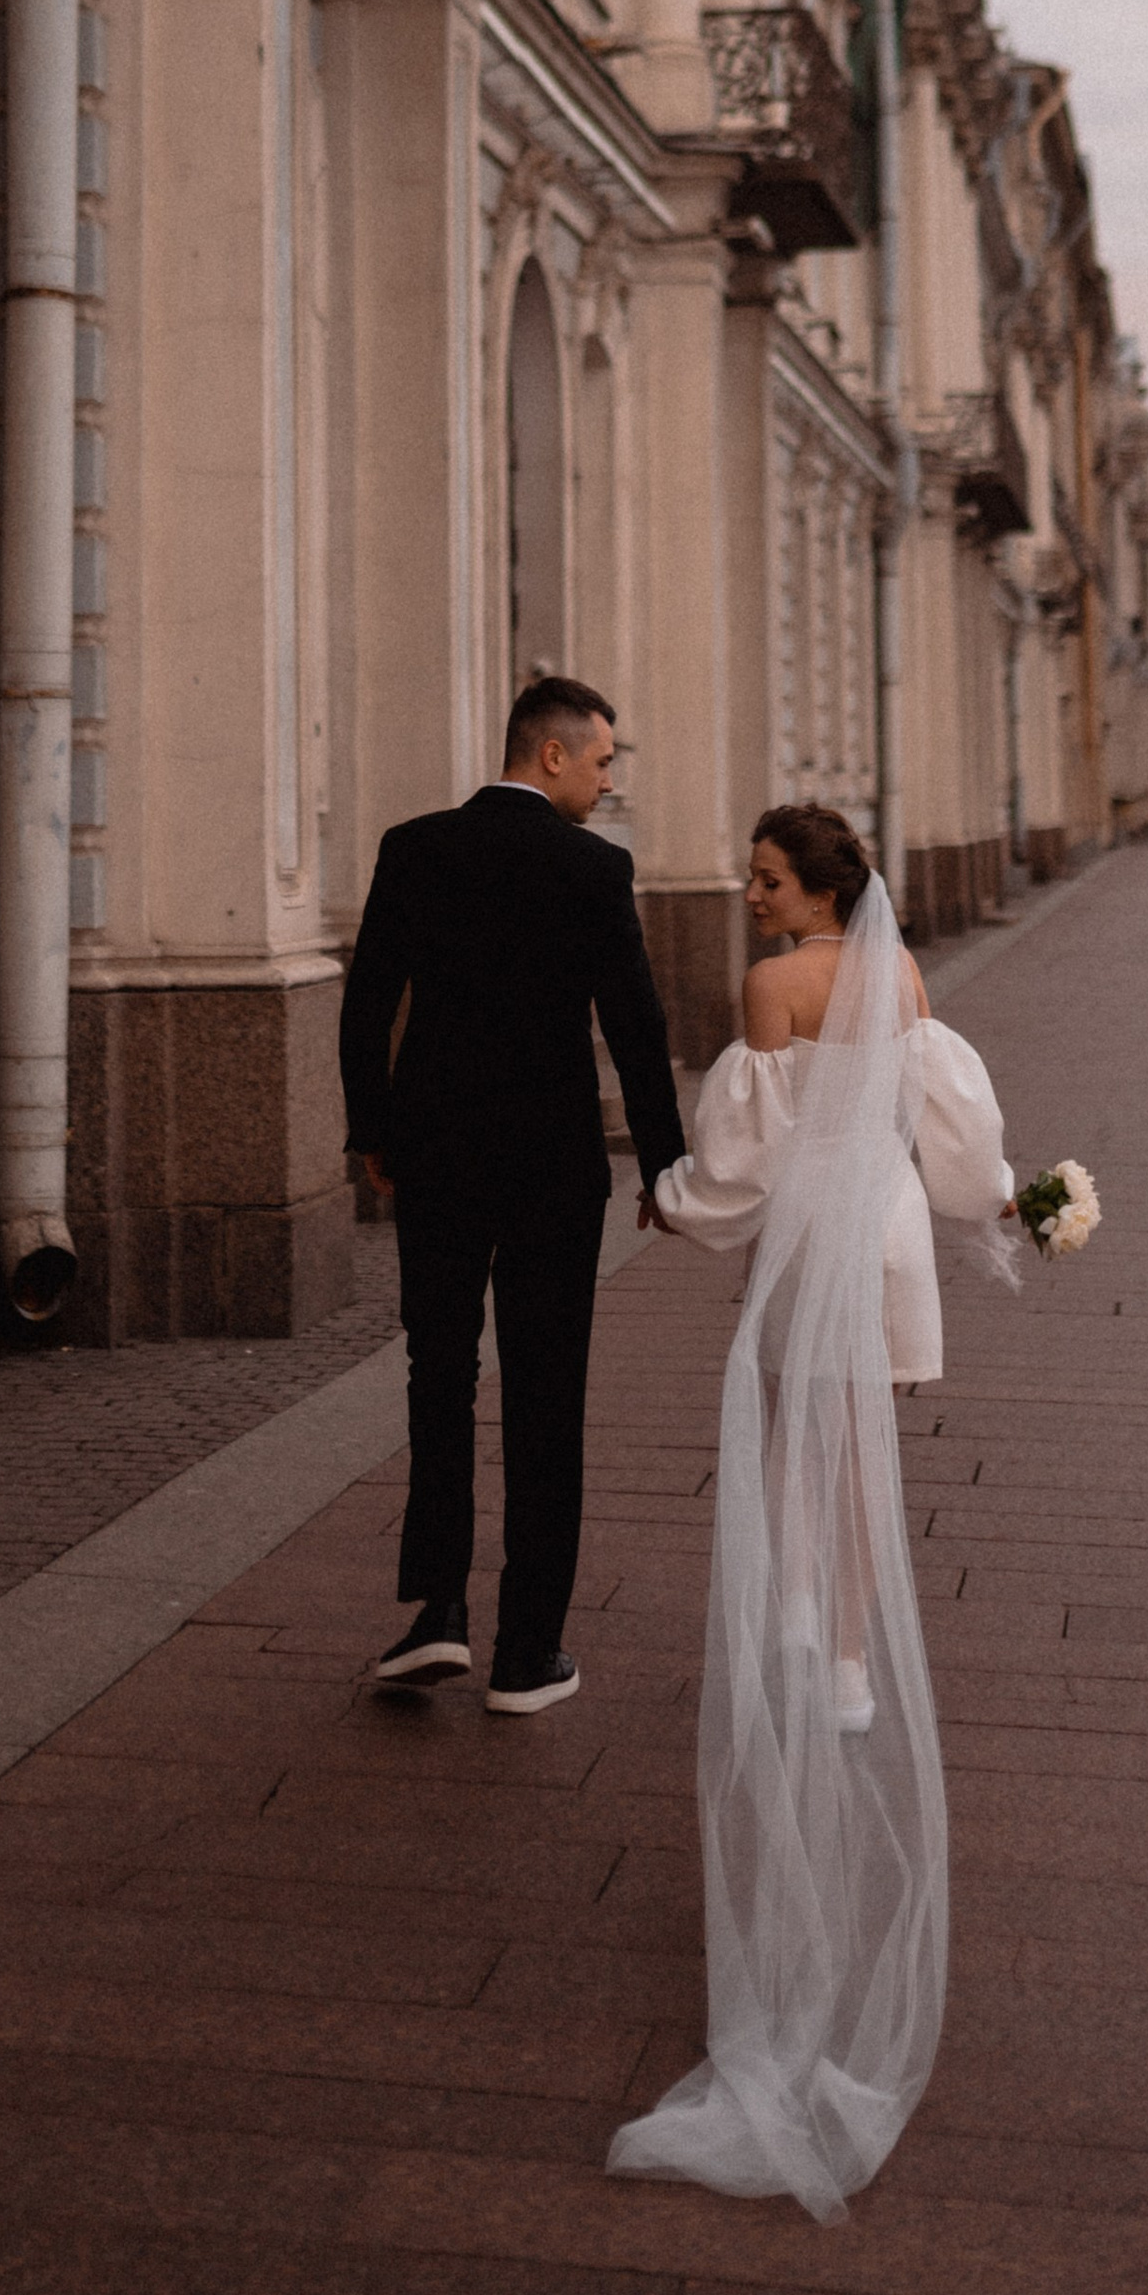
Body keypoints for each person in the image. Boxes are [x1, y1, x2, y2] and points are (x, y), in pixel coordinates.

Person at [609, 801, 1013, 2221]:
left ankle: (807, 1623)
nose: (751, 893)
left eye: (768, 877)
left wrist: (674, 1197)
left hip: (811, 1237)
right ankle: (847, 1648)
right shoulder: (898, 972)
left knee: (799, 1434)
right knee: (863, 1448)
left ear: (815, 886)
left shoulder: (771, 985)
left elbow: (749, 1154)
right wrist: (1002, 1199)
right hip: (891, 1230)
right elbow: (952, 1129)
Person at [340, 675, 687, 1715]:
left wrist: (373, 1132)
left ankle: (438, 1611)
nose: (607, 780)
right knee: (546, 1392)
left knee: (438, 1374)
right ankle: (526, 1651)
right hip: (552, 1165)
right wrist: (664, 1165)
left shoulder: (415, 847)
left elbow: (367, 1005)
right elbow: (636, 1024)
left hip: (437, 1154)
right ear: (551, 753)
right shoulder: (593, 867)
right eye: (602, 760)